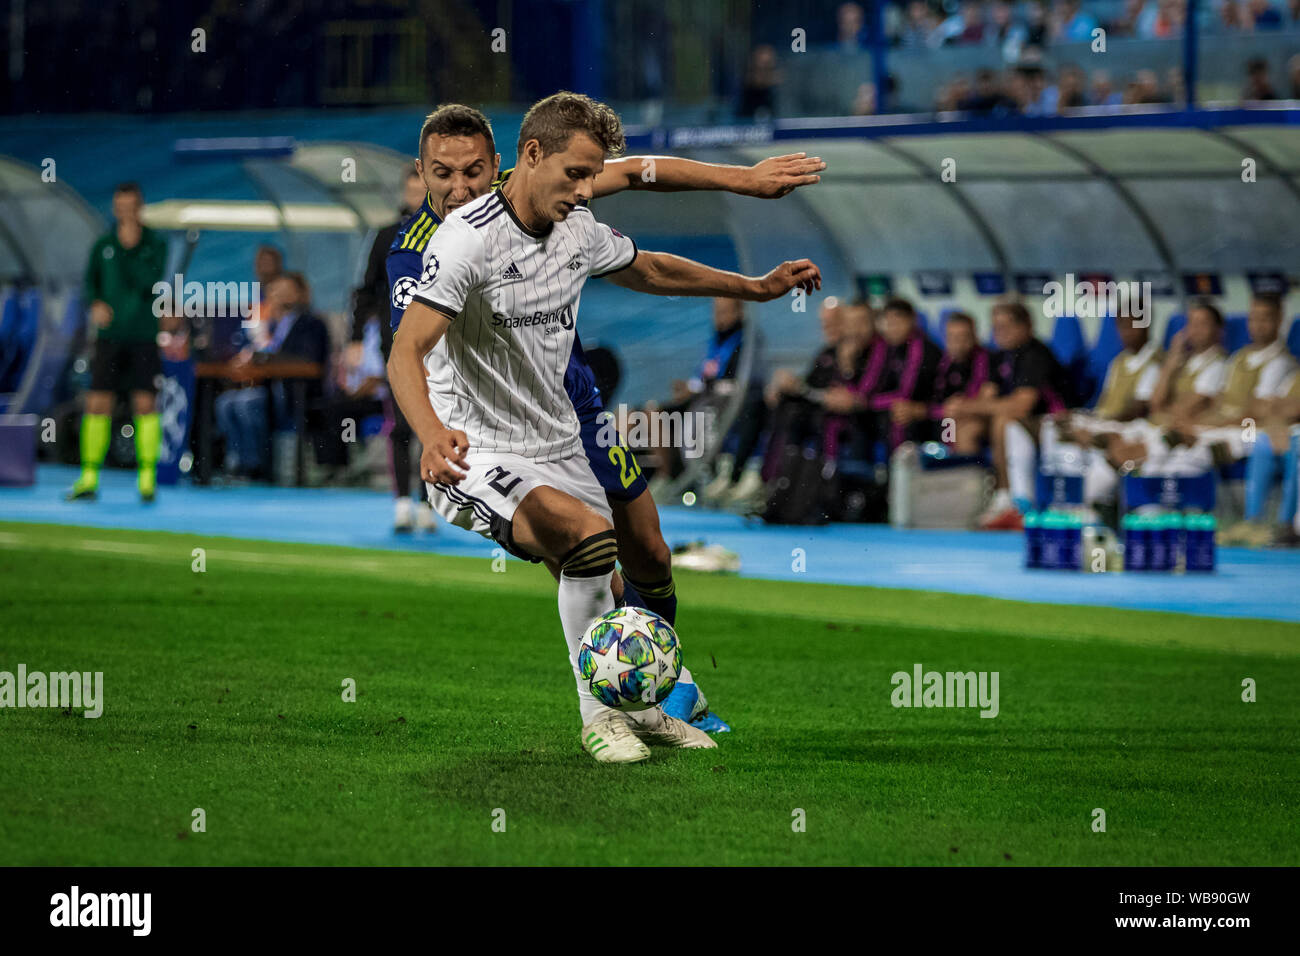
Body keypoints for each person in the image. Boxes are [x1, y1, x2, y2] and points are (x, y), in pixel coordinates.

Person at [387, 92, 821, 763]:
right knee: (587, 548)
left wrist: (755, 278)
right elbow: (406, 351)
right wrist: (430, 432)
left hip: (563, 423)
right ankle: (604, 716)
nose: (458, 186)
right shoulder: (444, 245)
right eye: (441, 173)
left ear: (502, 163)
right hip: (476, 445)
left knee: (643, 553)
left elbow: (646, 249)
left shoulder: (572, 214)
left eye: (472, 170)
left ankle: (647, 698)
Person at [348, 165, 436, 532]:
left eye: (422, 188)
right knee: (401, 423)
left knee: (436, 424)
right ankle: (402, 503)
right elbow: (366, 290)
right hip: (396, 344)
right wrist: (354, 340)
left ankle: (430, 503)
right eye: (410, 188)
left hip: (442, 346)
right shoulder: (387, 236)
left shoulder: (448, 232)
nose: (415, 194)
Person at [67, 182, 168, 503]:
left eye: (130, 205)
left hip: (142, 336)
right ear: (114, 208)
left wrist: (130, 245)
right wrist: (95, 303)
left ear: (139, 207)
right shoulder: (102, 245)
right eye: (119, 206)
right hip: (109, 339)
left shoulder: (155, 244)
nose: (124, 211)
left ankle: (147, 478)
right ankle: (88, 476)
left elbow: (150, 280)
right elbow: (90, 285)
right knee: (97, 402)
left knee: (145, 404)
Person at [965, 301, 1071, 529]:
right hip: (1021, 421)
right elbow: (986, 398)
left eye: (1005, 327)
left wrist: (969, 406)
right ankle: (970, 500)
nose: (999, 334)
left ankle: (1007, 498)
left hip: (1051, 421)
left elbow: (1021, 406)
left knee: (1003, 421)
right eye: (995, 328)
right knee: (967, 427)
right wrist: (967, 409)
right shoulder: (1000, 356)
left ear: (1026, 327)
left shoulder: (1037, 354)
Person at [215, 273, 329, 478]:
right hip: (268, 388)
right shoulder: (269, 325)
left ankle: (256, 466)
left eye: (286, 292)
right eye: (275, 292)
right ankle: (237, 460)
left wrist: (264, 359)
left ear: (301, 294)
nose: (279, 297)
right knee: (225, 403)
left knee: (247, 404)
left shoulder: (311, 323)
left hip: (296, 391)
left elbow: (307, 360)